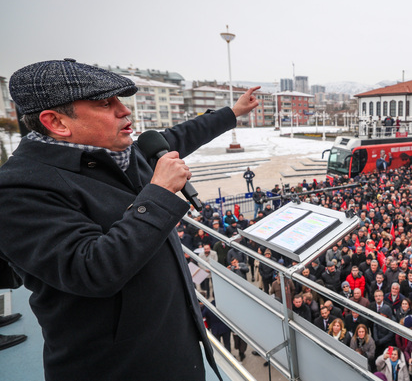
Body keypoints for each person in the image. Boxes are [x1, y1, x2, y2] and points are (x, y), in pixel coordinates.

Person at [0, 59, 260, 380]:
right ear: (56, 122)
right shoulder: (18, 190)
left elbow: (182, 134)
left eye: (120, 101)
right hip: (119, 367)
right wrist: (159, 193)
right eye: (105, 104)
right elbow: (91, 270)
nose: (124, 111)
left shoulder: (121, 154)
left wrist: (232, 112)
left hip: (175, 352)